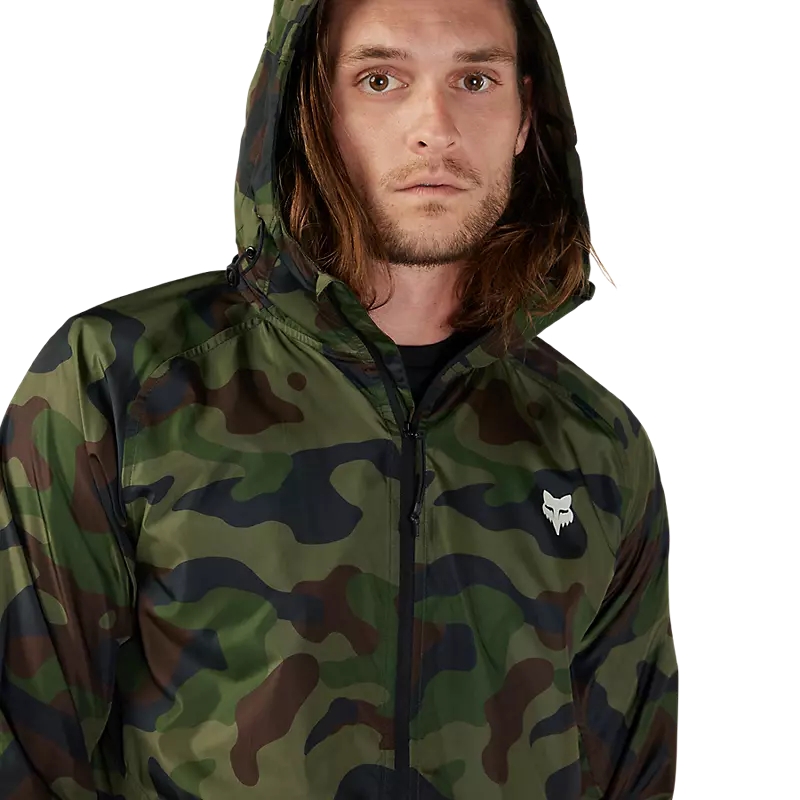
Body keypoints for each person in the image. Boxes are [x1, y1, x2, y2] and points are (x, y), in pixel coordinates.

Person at [0, 0, 679, 796]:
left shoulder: (595, 445)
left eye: (474, 80)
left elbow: (627, 775)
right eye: (380, 79)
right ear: (310, 107)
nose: (434, 128)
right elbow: (24, 751)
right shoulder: (121, 383)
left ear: (526, 115)